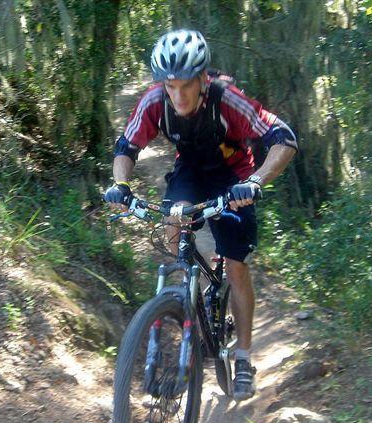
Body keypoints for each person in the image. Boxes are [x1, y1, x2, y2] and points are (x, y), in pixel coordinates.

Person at [104, 29, 297, 400]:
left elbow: (283, 137)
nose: (178, 96)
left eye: (187, 86)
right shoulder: (153, 102)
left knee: (237, 265)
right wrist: (122, 185)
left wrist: (255, 182)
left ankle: (242, 357)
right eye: (170, 86)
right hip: (190, 172)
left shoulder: (228, 101)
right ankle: (189, 297)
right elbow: (126, 146)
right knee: (173, 229)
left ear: (203, 80)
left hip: (234, 178)